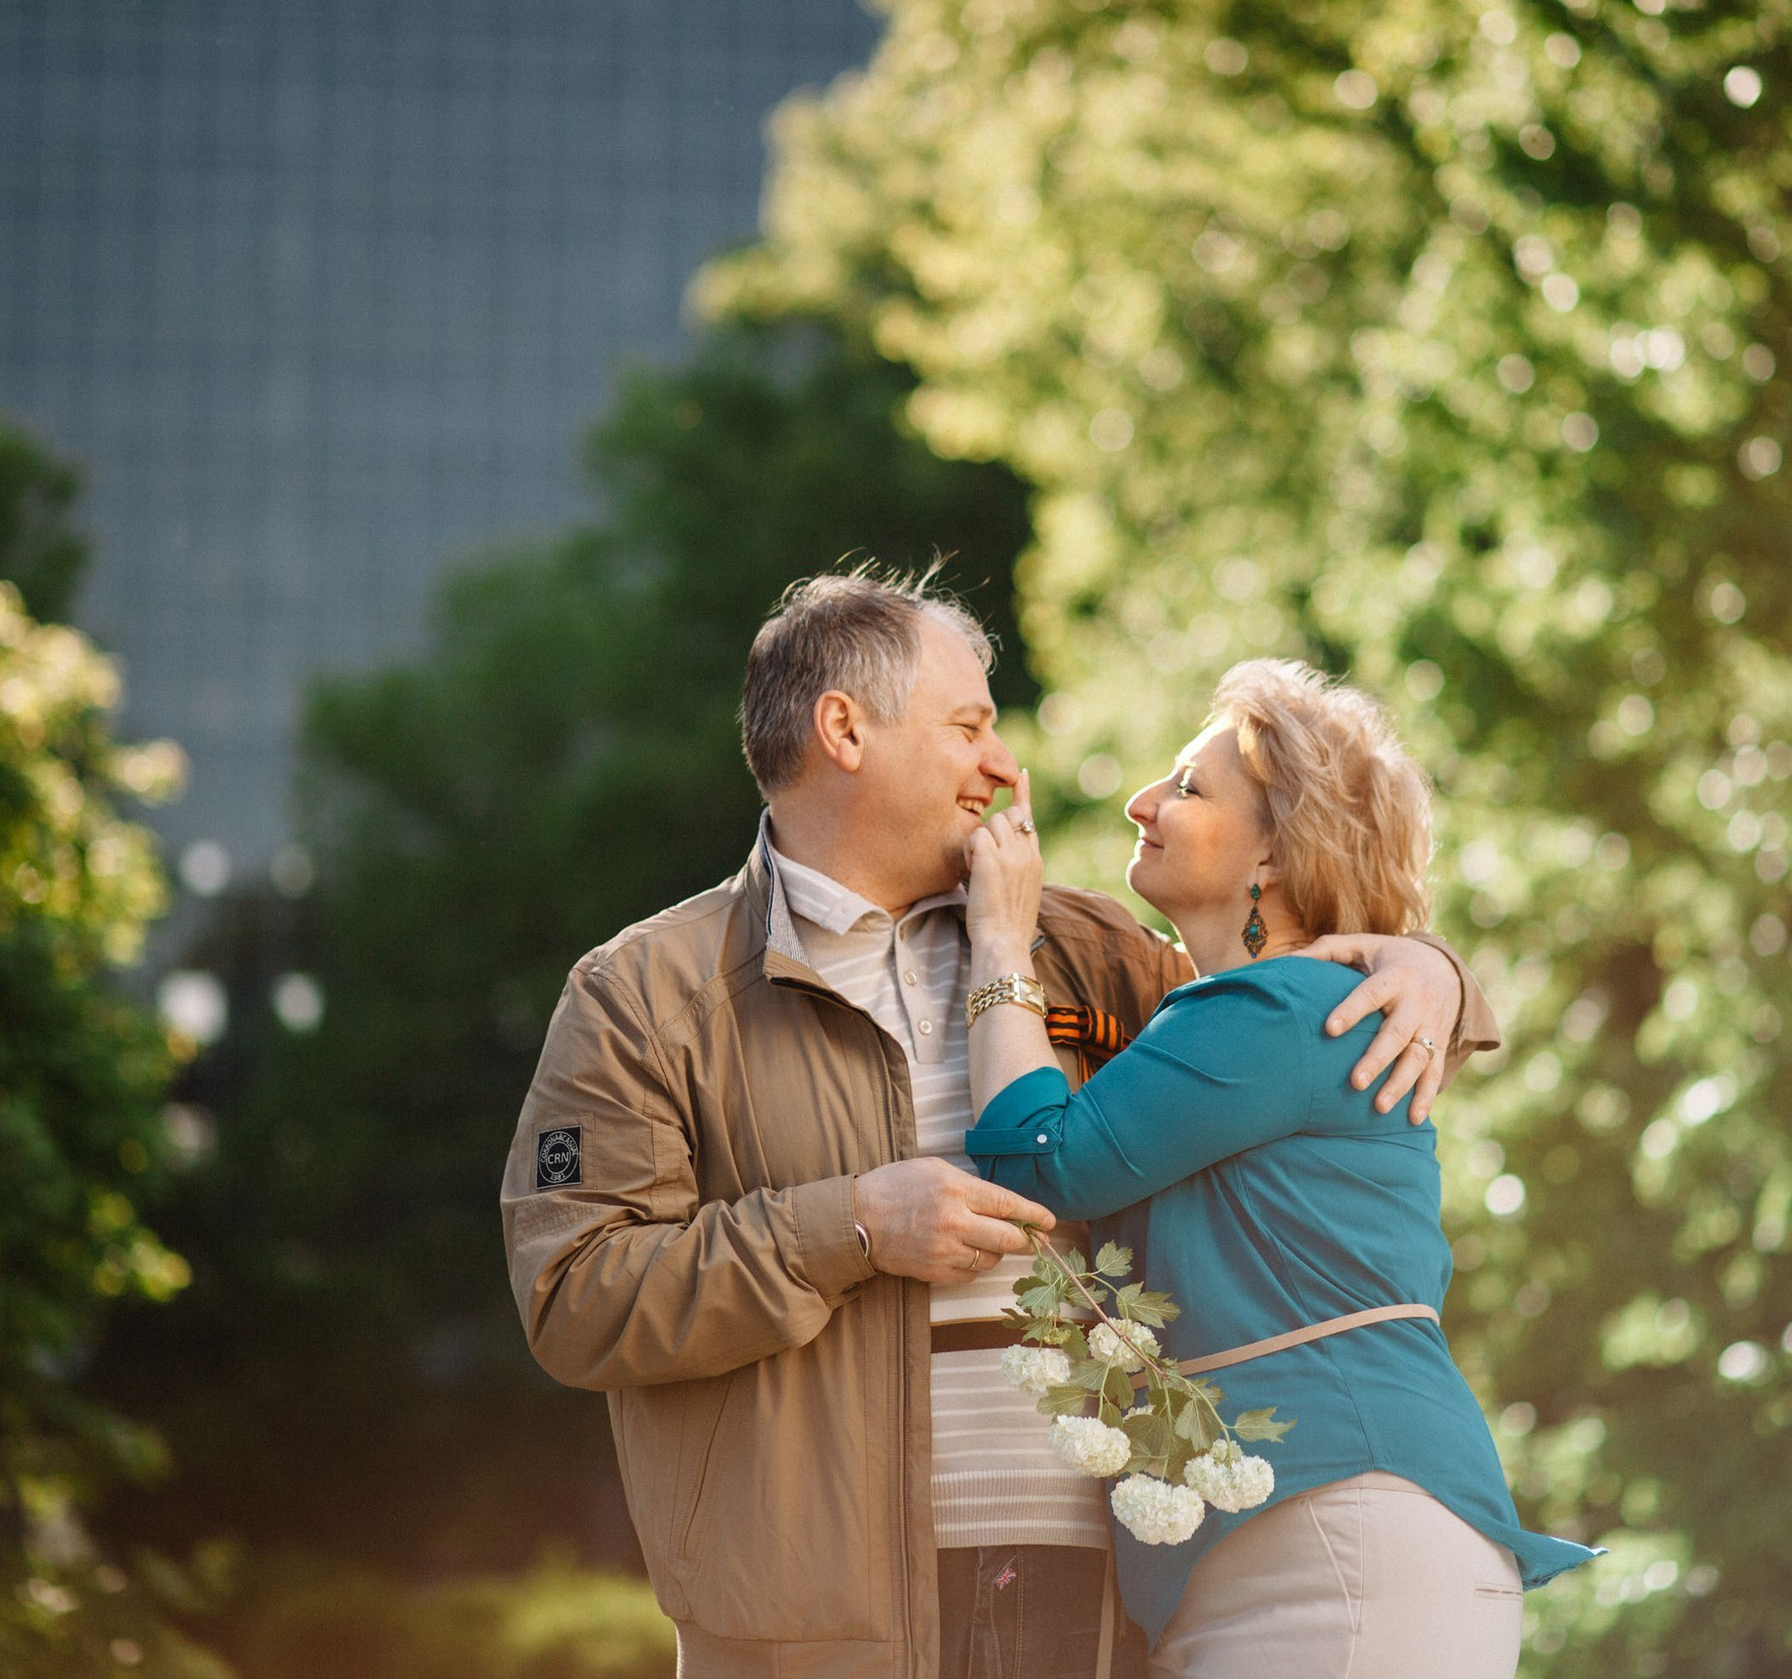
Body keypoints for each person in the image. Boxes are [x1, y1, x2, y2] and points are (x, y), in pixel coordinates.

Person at [502, 571, 1502, 1679]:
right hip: (806, 1619)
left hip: (1099, 1601)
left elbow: (1306, 1037)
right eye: (969, 727)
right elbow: (576, 1295)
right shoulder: (645, 994)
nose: (1002, 765)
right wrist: (852, 1229)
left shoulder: (1094, 949)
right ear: (845, 730)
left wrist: (1433, 971)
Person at [959, 656, 1598, 1679]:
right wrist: (1428, 959)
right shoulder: (1304, 1010)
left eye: (1187, 787)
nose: (1141, 801)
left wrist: (996, 941)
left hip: (1335, 1546)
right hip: (1336, 1542)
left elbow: (1042, 1166)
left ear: (1274, 856)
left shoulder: (1269, 1012)